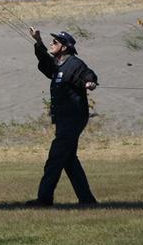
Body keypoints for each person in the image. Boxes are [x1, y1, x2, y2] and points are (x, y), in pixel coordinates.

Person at [27, 28, 98, 207]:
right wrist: (38, 40)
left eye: (56, 42)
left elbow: (88, 73)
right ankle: (87, 200)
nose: (53, 44)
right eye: (52, 41)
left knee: (55, 158)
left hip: (74, 118)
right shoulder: (58, 65)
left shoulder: (74, 63)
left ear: (65, 47)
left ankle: (44, 199)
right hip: (64, 119)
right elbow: (45, 60)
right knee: (69, 160)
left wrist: (90, 82)